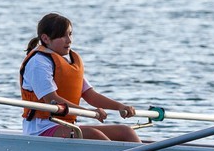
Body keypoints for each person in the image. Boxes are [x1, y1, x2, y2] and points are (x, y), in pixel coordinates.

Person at [19, 13, 140, 142]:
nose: (69, 40)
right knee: (94, 135)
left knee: (126, 132)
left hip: (65, 125)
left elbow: (90, 95)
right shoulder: (38, 63)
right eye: (62, 36)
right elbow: (52, 100)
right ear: (46, 38)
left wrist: (121, 107)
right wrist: (89, 112)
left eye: (70, 34)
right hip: (41, 130)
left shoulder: (67, 63)